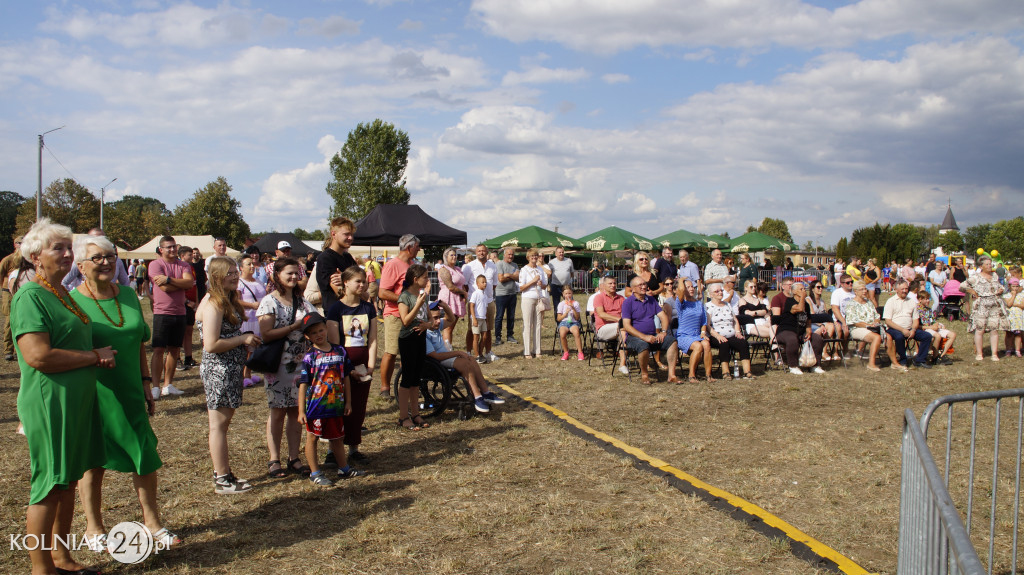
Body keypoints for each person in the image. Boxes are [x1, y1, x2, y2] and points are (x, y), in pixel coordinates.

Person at [13, 218, 115, 575]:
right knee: (50, 484)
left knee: (68, 480)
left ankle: (62, 558)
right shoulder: (29, 295)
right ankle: (41, 568)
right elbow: (38, 356)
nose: (67, 254)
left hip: (76, 400)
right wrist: (93, 356)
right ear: (35, 256)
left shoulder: (59, 293)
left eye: (68, 247)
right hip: (50, 401)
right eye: (58, 248)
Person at [70, 234, 179, 550]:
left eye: (110, 256)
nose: (106, 262)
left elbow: (138, 343)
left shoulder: (130, 295)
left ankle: (153, 523)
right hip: (94, 393)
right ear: (80, 265)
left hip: (131, 389)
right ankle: (93, 528)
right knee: (93, 461)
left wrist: (147, 382)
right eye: (97, 258)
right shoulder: (72, 303)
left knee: (144, 455)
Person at [196, 256, 260, 494]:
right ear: (216, 277)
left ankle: (222, 471)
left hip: (229, 368)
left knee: (221, 424)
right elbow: (210, 345)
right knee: (219, 426)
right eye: (230, 273)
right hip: (219, 370)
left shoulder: (224, 300)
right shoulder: (214, 303)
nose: (235, 276)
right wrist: (242, 339)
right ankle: (222, 478)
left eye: (236, 272)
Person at [256, 257, 316, 478]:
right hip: (278, 366)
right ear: (277, 275)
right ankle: (274, 459)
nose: (293, 277)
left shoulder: (302, 302)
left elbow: (315, 322)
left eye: (296, 273)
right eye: (288, 273)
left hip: (301, 364)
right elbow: (266, 333)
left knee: (295, 412)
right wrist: (294, 326)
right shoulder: (269, 302)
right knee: (277, 412)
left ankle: (294, 457)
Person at [297, 312, 362, 487]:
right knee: (312, 438)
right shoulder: (309, 357)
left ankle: (344, 468)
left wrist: (348, 402)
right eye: (313, 333)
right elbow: (303, 384)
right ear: (307, 336)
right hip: (316, 408)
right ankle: (315, 472)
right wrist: (301, 410)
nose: (318, 335)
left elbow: (346, 377)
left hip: (336, 405)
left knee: (337, 438)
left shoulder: (340, 351)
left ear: (326, 328)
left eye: (320, 330)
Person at [325, 266, 377, 464]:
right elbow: (334, 344)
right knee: (339, 408)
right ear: (345, 282)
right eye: (358, 281)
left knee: (358, 407)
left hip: (363, 363)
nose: (362, 285)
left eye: (364, 281)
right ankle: (333, 450)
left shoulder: (368, 307)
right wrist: (348, 369)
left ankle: (354, 447)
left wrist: (370, 366)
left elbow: (372, 339)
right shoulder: (336, 308)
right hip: (341, 365)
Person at [425, 301, 506, 413]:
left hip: (444, 358)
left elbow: (451, 319)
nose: (438, 321)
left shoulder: (436, 327)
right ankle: (477, 397)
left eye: (439, 317)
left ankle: (486, 392)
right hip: (436, 362)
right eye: (435, 318)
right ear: (426, 318)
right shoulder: (426, 333)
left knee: (471, 359)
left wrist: (445, 306)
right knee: (464, 364)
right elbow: (435, 356)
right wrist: (457, 352)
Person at [149, 236, 195, 399]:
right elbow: (164, 288)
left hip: (179, 312)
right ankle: (155, 386)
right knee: (159, 349)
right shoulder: (155, 265)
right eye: (168, 247)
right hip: (162, 312)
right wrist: (179, 282)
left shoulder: (183, 265)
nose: (172, 249)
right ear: (161, 249)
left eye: (174, 246)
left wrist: (169, 279)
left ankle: (168, 384)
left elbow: (189, 283)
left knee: (174, 349)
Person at [379, 234, 420, 398]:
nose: (419, 249)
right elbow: (383, 292)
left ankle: (404, 385)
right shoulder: (392, 265)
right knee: (391, 352)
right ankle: (385, 388)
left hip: (411, 315)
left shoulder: (412, 265)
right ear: (409, 247)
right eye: (417, 246)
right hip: (395, 315)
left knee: (408, 353)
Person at [621, 276, 679, 384]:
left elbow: (663, 317)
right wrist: (644, 337)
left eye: (644, 284)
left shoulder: (651, 300)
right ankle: (644, 374)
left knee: (672, 342)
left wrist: (663, 332)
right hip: (635, 338)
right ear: (633, 288)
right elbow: (627, 326)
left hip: (653, 335)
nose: (644, 287)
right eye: (640, 285)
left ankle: (672, 375)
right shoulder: (628, 303)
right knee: (643, 345)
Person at [397, 264, 432, 431]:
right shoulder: (405, 297)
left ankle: (416, 413)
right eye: (425, 277)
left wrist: (428, 325)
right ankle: (403, 416)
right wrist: (418, 304)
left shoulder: (422, 296)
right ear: (415, 279)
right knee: (407, 378)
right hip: (408, 340)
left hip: (420, 338)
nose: (427, 280)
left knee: (416, 378)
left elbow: (431, 321)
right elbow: (405, 320)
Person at [961, 255, 1009, 361]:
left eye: (990, 264)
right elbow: (962, 286)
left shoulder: (995, 275)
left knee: (994, 329)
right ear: (981, 266)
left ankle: (994, 354)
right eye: (987, 264)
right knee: (980, 329)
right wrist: (973, 292)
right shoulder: (976, 277)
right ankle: (979, 353)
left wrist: (1000, 290)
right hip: (981, 305)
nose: (989, 266)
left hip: (994, 304)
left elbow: (1000, 286)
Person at [844, 280, 896, 372]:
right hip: (857, 328)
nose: (864, 291)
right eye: (862, 289)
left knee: (888, 337)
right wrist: (868, 325)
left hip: (872, 327)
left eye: (865, 289)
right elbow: (853, 321)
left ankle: (895, 363)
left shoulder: (869, 302)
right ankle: (871, 364)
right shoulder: (851, 304)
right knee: (876, 338)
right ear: (855, 291)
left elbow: (876, 316)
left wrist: (875, 322)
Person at [706, 284, 755, 379]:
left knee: (743, 343)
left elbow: (735, 320)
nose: (720, 292)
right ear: (711, 295)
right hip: (716, 336)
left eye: (721, 291)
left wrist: (737, 332)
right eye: (717, 291)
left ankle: (747, 371)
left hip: (731, 334)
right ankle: (725, 372)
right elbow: (707, 325)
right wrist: (717, 336)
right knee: (724, 343)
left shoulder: (727, 304)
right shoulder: (708, 306)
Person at [775, 282, 825, 375]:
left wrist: (809, 331)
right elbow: (799, 309)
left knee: (817, 338)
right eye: (801, 289)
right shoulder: (789, 301)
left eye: (804, 289)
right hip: (786, 331)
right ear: (794, 291)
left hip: (800, 331)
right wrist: (803, 297)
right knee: (792, 339)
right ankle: (793, 366)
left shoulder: (806, 304)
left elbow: (808, 319)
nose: (804, 291)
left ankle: (815, 365)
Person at [883, 280, 934, 369]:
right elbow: (888, 321)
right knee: (899, 337)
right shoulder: (891, 301)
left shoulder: (911, 302)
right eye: (902, 289)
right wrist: (902, 330)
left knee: (927, 336)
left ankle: (920, 359)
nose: (905, 291)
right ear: (896, 290)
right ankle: (903, 360)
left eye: (906, 289)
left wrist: (913, 330)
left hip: (910, 328)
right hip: (894, 329)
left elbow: (915, 319)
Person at [60, 227, 131, 291]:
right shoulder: (81, 259)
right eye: (95, 239)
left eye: (102, 239)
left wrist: (123, 297)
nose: (105, 262)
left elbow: (125, 282)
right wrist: (73, 300)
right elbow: (64, 282)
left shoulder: (116, 260)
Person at [462, 244, 499, 362]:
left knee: (488, 329)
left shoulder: (492, 266)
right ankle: (469, 352)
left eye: (483, 251)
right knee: (471, 329)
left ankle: (487, 352)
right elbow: (465, 284)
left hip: (488, 301)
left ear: (487, 252)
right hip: (475, 303)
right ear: (476, 252)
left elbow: (494, 284)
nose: (481, 253)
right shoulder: (469, 266)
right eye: (479, 251)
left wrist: (486, 295)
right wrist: (475, 296)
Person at [316, 217, 359, 313]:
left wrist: (344, 278)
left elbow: (363, 285)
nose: (350, 238)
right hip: (336, 314)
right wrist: (352, 280)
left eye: (352, 234)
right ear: (333, 234)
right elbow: (340, 292)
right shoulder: (325, 258)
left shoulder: (347, 257)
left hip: (353, 311)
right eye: (346, 234)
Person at [674, 278, 713, 383]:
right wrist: (681, 279)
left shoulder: (699, 304)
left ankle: (708, 375)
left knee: (706, 344)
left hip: (697, 335)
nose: (691, 289)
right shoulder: (681, 303)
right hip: (684, 336)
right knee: (698, 346)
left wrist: (703, 333)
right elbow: (681, 291)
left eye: (692, 287)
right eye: (688, 287)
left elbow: (704, 321)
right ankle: (691, 375)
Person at [237, 254, 266, 388]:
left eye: (252, 264)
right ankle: (244, 374)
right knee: (247, 349)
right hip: (247, 319)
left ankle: (248, 373)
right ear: (241, 267)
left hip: (259, 319)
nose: (252, 266)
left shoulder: (258, 281)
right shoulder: (239, 283)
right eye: (248, 264)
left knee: (255, 348)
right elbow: (236, 301)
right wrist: (251, 305)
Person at [593, 275, 628, 373]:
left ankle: (623, 363)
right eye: (610, 283)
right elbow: (601, 314)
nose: (613, 285)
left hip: (619, 328)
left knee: (624, 330)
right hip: (603, 328)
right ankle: (623, 361)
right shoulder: (599, 297)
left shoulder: (621, 298)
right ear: (604, 285)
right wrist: (619, 320)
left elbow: (625, 313)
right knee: (623, 327)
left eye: (614, 283)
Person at [518, 247, 548, 359]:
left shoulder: (540, 269)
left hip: (538, 298)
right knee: (527, 324)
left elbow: (545, 285)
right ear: (528, 258)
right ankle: (527, 351)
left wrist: (541, 284)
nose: (534, 258)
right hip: (527, 298)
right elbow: (521, 287)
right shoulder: (524, 270)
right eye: (532, 256)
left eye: (536, 256)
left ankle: (537, 350)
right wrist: (533, 281)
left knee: (538, 324)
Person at [436, 247, 467, 349]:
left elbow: (461, 283)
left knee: (451, 327)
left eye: (455, 255)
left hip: (457, 299)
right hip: (448, 299)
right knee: (448, 327)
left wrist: (463, 295)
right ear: (446, 257)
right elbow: (450, 286)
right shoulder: (444, 269)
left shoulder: (457, 269)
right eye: (451, 255)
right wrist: (464, 293)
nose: (454, 257)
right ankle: (446, 350)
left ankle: (448, 348)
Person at [916, 288, 957, 365]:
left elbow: (933, 320)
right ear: (920, 299)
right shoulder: (917, 310)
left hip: (933, 327)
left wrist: (938, 325)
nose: (928, 301)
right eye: (926, 299)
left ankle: (942, 355)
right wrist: (931, 327)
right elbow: (917, 326)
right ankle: (935, 357)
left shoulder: (929, 309)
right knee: (937, 336)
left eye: (928, 299)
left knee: (952, 335)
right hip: (925, 329)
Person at [176, 244, 199, 371]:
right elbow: (177, 288)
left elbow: (194, 286)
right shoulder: (178, 268)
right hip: (182, 304)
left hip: (191, 304)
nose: (193, 256)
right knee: (179, 333)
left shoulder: (191, 268)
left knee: (189, 331)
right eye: (190, 254)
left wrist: (196, 301)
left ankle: (188, 358)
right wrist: (186, 301)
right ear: (182, 256)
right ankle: (177, 359)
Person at [0, 235, 22, 360]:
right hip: (7, 292)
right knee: (9, 320)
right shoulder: (8, 259)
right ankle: (8, 349)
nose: (21, 245)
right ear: (15, 245)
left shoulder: (25, 259)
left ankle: (18, 349)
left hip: (20, 290)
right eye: (19, 243)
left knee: (20, 320)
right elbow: (1, 273)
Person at [494, 247, 520, 345]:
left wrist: (508, 275)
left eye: (512, 254)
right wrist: (512, 276)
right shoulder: (499, 264)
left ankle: (510, 335)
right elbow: (500, 279)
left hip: (512, 294)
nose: (510, 256)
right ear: (504, 255)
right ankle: (498, 336)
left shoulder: (515, 265)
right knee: (499, 316)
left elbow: (518, 277)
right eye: (509, 254)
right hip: (501, 294)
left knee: (511, 316)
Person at [556, 285, 584, 361]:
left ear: (572, 294)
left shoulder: (576, 303)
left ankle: (580, 352)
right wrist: (565, 313)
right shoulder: (561, 304)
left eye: (569, 293)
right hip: (564, 322)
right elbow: (558, 318)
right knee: (562, 334)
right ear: (563, 294)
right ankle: (566, 352)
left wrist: (573, 308)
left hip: (573, 322)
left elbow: (577, 318)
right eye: (566, 294)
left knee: (576, 332)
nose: (568, 295)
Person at [830, 274, 856, 356]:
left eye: (852, 282)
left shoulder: (855, 293)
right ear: (842, 284)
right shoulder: (837, 293)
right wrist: (843, 322)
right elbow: (835, 309)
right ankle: (838, 350)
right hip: (839, 319)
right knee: (843, 330)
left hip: (853, 319)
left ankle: (858, 350)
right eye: (848, 283)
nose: (851, 284)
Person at [468, 274, 491, 363]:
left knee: (485, 336)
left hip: (483, 319)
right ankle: (476, 355)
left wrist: (487, 320)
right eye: (483, 282)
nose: (485, 284)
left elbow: (485, 308)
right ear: (477, 284)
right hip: (477, 318)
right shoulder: (475, 294)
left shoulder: (485, 295)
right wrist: (474, 318)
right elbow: (471, 306)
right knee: (476, 337)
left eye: (485, 282)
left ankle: (481, 353)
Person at [547, 246, 576, 316]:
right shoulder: (551, 262)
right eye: (559, 252)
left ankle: (571, 320)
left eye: (563, 252)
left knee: (570, 304)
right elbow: (549, 274)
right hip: (555, 286)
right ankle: (558, 322)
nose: (561, 254)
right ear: (556, 253)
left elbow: (572, 273)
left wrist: (567, 280)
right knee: (557, 305)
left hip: (566, 286)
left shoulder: (569, 261)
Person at [1004, 278, 1024, 357]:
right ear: (1009, 286)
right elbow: (1009, 304)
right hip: (1010, 317)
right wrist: (1013, 295)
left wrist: (1016, 305)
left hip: (1018, 317)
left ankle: (1017, 350)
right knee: (1009, 334)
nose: (1015, 288)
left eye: (1017, 286)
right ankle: (1009, 349)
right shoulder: (1006, 295)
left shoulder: (1022, 295)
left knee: (1018, 334)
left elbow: (1022, 305)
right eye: (1013, 286)